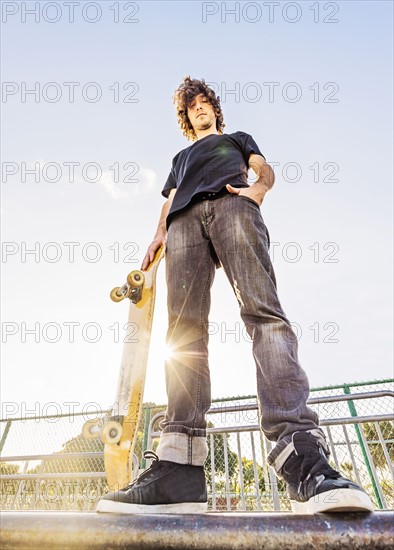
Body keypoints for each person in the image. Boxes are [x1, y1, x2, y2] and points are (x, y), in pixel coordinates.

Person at [97, 76, 374, 515]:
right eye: (193, 108)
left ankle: (300, 453)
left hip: (233, 206)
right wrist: (156, 235)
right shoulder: (181, 158)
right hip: (183, 225)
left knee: (264, 314)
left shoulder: (237, 139)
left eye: (206, 104)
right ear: (186, 118)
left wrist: (256, 192)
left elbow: (265, 169)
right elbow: (168, 201)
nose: (200, 110)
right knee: (183, 334)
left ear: (215, 110)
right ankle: (180, 468)